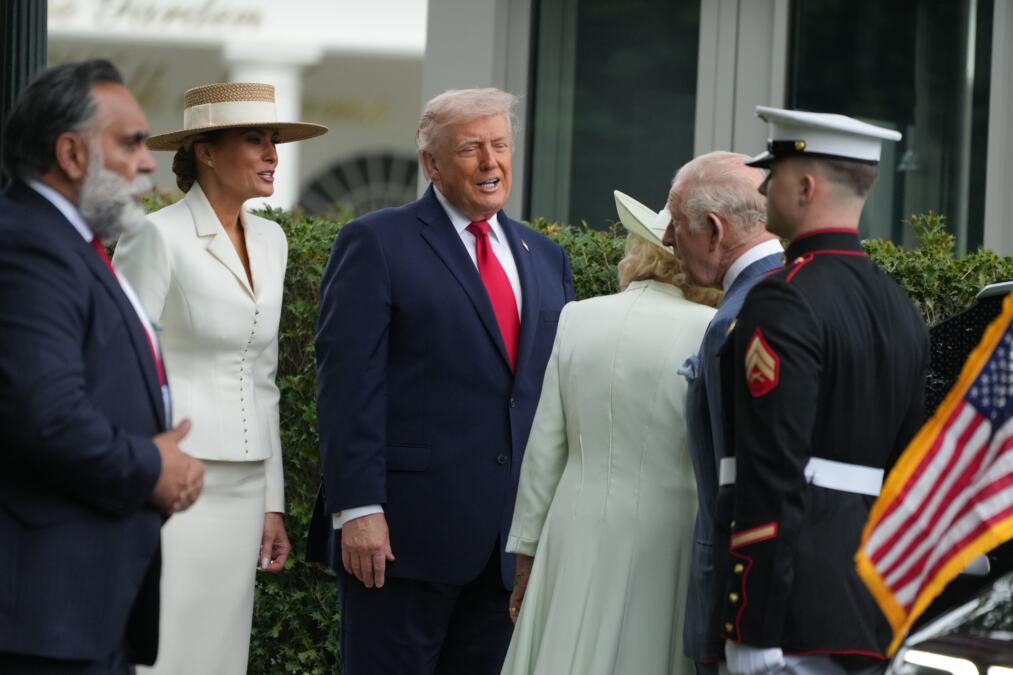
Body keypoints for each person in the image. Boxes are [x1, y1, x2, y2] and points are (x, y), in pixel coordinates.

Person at [308, 87, 575, 675]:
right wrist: (357, 510)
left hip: (508, 547)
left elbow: (550, 397)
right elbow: (349, 386)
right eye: (471, 149)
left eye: (500, 146)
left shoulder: (545, 256)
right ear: (432, 163)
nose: (491, 163)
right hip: (403, 539)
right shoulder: (376, 242)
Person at [112, 82, 327, 674]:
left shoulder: (274, 240)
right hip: (175, 482)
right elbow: (126, 364)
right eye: (255, 139)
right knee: (165, 644)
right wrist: (143, 471)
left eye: (275, 141)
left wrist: (273, 502)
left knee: (221, 651)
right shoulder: (157, 236)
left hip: (245, 483)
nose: (272, 155)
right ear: (206, 151)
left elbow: (264, 377)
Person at [0, 59, 204, 673]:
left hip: (80, 608)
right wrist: (152, 467)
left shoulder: (67, 242)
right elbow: (47, 415)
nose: (147, 162)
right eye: (131, 142)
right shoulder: (27, 245)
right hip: (41, 617)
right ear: (70, 153)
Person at [713, 107, 930, 675]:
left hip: (792, 611)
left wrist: (751, 623)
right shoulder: (899, 306)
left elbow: (773, 469)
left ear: (806, 187)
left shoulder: (783, 297)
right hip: (866, 604)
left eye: (773, 174)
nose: (762, 187)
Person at [499, 190, 717, 675]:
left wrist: (527, 551)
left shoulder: (579, 318)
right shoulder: (714, 329)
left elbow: (544, 450)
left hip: (571, 528)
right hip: (671, 533)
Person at [660, 151, 783, 674]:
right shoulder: (798, 294)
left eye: (675, 225)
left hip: (739, 600)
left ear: (712, 230)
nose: (666, 240)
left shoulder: (735, 320)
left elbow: (731, 489)